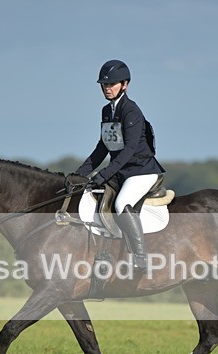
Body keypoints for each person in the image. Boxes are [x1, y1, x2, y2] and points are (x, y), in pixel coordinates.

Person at [74, 59, 165, 270]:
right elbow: (102, 148)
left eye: (111, 84)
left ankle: (141, 258)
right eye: (104, 85)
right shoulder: (107, 111)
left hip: (141, 171)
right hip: (122, 172)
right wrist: (79, 175)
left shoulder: (131, 111)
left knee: (121, 203)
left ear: (124, 84)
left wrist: (103, 174)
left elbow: (128, 150)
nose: (107, 88)